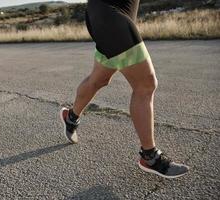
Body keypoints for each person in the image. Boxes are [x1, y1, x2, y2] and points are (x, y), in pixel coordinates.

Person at [59, 0, 189, 179]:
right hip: (111, 16)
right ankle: (150, 157)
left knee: (99, 80)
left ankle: (71, 117)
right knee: (145, 84)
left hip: (104, 14)